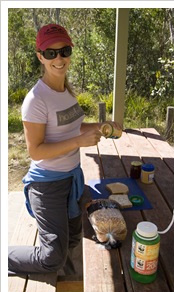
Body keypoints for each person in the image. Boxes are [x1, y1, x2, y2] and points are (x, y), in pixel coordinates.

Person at [8, 23, 122, 275]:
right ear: (40, 56)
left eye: (64, 51)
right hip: (47, 186)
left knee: (73, 239)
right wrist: (77, 143)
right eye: (51, 53)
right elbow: (36, 151)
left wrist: (103, 125)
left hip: (72, 179)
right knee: (51, 258)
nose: (59, 58)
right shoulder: (36, 99)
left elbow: (74, 127)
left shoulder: (66, 91)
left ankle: (71, 283)